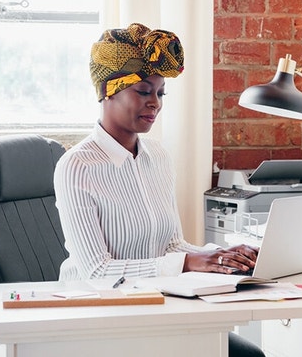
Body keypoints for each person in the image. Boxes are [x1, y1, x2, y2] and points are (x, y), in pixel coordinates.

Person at [54, 23, 264, 356]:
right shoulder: (77, 167)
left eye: (160, 93)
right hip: (97, 317)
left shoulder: (159, 157)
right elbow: (97, 271)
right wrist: (190, 262)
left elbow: (171, 245)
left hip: (156, 308)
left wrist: (222, 258)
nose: (155, 103)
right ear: (109, 89)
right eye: (143, 91)